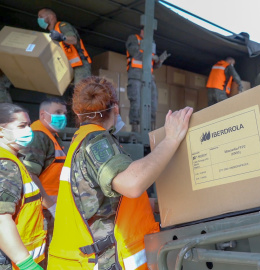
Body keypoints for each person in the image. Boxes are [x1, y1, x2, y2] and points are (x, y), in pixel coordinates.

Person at [48, 76, 192, 269]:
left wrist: (155, 205)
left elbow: (100, 201)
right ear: (116, 108)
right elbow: (132, 184)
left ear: (76, 111)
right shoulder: (95, 141)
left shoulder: (80, 141)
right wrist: (172, 139)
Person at [20, 98, 68, 267]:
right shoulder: (38, 136)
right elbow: (29, 174)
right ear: (43, 114)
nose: (62, 117)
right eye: (57, 113)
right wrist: (48, 201)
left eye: (64, 113)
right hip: (44, 210)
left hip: (50, 208)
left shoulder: (50, 136)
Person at [0, 103, 46, 270]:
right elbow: (1, 220)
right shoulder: (6, 165)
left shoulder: (15, 160)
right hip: (13, 263)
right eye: (21, 126)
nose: (29, 130)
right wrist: (28, 265)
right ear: (1, 131)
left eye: (28, 124)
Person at [126, 27, 170, 132]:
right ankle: (135, 131)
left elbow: (152, 65)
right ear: (142, 31)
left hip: (149, 78)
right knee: (136, 102)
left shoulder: (152, 43)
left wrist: (159, 61)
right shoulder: (134, 38)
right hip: (136, 76)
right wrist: (151, 57)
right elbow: (135, 53)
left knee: (153, 104)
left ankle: (151, 131)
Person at [37, 8, 92, 85]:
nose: (39, 19)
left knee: (80, 92)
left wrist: (62, 37)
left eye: (41, 16)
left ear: (51, 16)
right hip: (66, 68)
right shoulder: (51, 35)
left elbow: (73, 40)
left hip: (80, 65)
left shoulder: (62, 26)